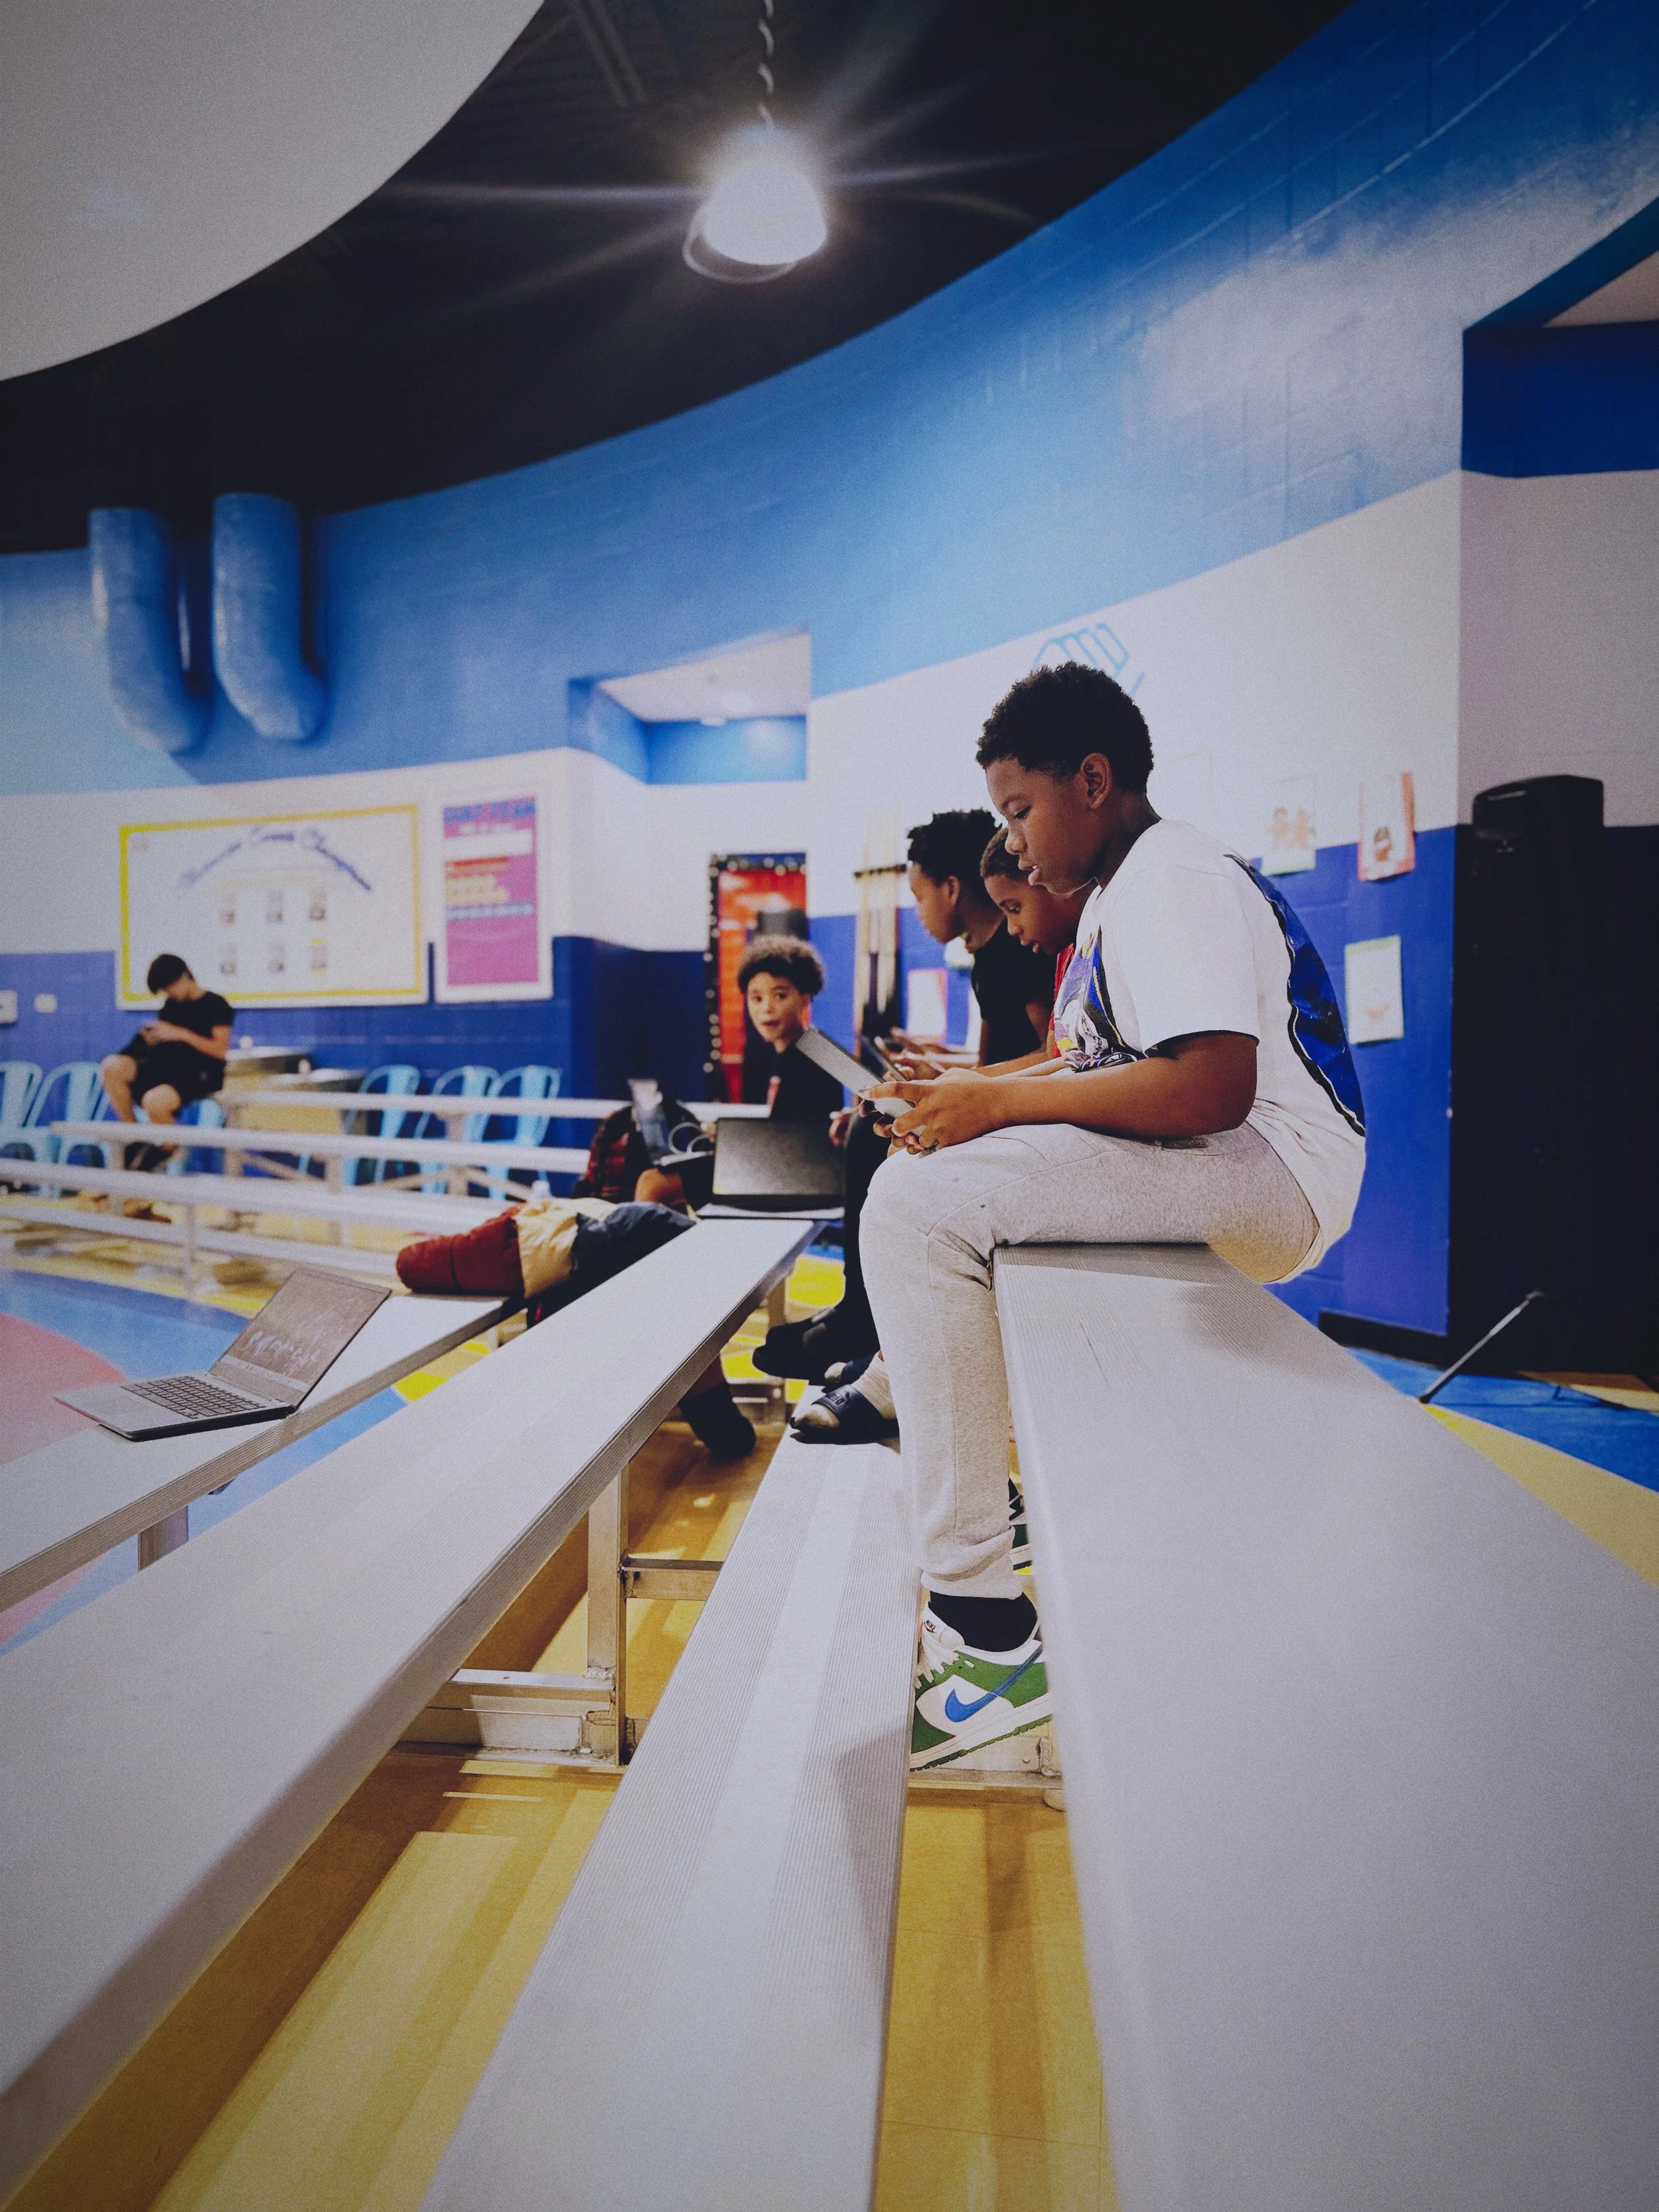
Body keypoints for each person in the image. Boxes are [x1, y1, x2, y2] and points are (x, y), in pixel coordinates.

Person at [861, 662, 1366, 1771]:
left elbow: (1209, 1087)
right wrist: (970, 1092)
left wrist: (991, 1101)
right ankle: (988, 1501)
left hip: (1272, 1167)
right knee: (941, 1186)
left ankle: (984, 1631)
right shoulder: (1122, 893)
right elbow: (1089, 1062)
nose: (1019, 844)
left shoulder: (1170, 873)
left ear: (1094, 780)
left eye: (1021, 810)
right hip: (1240, 1159)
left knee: (917, 1209)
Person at [753, 819, 1072, 1394]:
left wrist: (955, 1078)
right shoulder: (992, 955)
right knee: (868, 1121)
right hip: (1004, 1110)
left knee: (870, 1140)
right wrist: (944, 1070)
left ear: (951, 889)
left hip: (1019, 1126)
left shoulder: (1015, 951)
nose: (919, 912)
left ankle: (868, 1325)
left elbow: (1049, 1055)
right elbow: (1007, 1057)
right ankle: (860, 1314)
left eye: (919, 894)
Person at [395, 1195, 757, 1458]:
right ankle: (724, 1430)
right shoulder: (547, 1227)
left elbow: (411, 1263)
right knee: (694, 1355)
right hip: (644, 1234)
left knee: (684, 1352)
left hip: (622, 1241)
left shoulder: (510, 1239)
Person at [635, 936, 843, 1210]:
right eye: (756, 998)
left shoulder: (814, 1051)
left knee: (653, 1183)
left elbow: (802, 1138)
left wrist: (731, 1142)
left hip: (795, 1176)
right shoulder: (792, 1051)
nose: (766, 1008)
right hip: (785, 1168)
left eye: (780, 995)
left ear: (805, 1000)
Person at [102, 954, 234, 1171]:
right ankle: (135, 1138)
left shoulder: (216, 1004)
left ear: (184, 977)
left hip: (202, 1073)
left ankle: (168, 1147)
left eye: (169, 987)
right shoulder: (171, 1005)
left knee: (154, 1101)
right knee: (112, 1066)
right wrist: (153, 1038)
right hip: (171, 1068)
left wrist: (180, 1034)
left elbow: (219, 1050)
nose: (169, 993)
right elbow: (168, 1044)